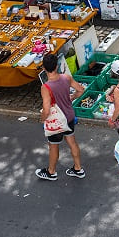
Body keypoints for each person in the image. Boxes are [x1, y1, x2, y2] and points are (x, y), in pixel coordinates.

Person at [36, 52, 86, 181]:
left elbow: (47, 109)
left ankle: (51, 172)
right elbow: (81, 90)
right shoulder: (66, 78)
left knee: (53, 145)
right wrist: (72, 97)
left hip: (56, 121)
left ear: (44, 68)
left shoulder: (46, 87)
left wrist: (42, 119)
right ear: (57, 66)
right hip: (69, 116)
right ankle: (78, 169)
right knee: (72, 142)